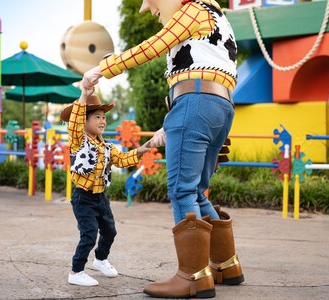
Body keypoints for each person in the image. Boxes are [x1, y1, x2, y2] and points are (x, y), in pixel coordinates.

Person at [82, 0, 244, 297]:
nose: (154, 15)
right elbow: (199, 73)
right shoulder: (217, 17)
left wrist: (102, 69)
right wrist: (173, 120)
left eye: (155, 8)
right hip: (219, 104)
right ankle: (225, 264)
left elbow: (155, 46)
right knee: (196, 189)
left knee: (182, 189)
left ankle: (193, 277)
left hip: (195, 102)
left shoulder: (192, 10)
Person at [60, 82, 156, 287]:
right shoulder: (78, 140)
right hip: (83, 197)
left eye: (104, 117)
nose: (102, 120)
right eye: (97, 117)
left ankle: (100, 259)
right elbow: (75, 122)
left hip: (100, 196)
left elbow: (122, 159)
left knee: (110, 231)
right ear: (84, 121)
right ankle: (76, 272)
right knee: (89, 234)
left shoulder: (107, 147)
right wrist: (84, 95)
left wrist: (144, 149)